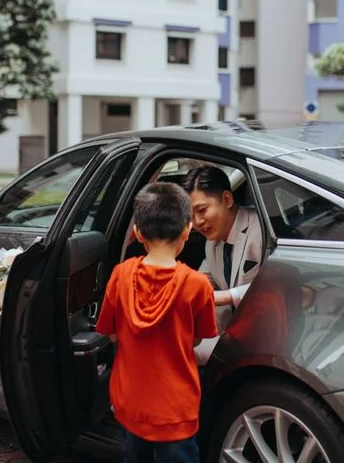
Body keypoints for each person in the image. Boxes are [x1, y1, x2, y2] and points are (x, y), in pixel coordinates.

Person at [95, 182, 218, 463]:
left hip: (131, 398)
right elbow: (198, 339)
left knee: (134, 455)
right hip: (176, 405)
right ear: (187, 230)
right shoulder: (198, 284)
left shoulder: (120, 274)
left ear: (137, 232)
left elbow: (109, 332)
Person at [181, 165, 263, 364]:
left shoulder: (260, 230)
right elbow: (204, 280)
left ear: (227, 199)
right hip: (230, 329)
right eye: (191, 216)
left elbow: (278, 285)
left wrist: (226, 296)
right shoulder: (213, 242)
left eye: (202, 210)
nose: (198, 222)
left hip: (263, 333)